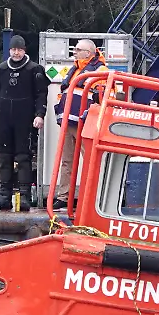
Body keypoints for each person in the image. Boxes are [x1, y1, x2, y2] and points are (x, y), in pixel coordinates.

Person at [0, 35, 48, 211]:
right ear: (10, 51)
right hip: (4, 120)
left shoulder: (34, 69)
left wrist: (40, 114)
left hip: (25, 121)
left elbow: (42, 94)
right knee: (4, 157)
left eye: (19, 50)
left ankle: (24, 196)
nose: (16, 53)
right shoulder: (2, 69)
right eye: (13, 49)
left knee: (24, 158)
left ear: (24, 50)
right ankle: (4, 196)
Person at [51, 39, 107, 209]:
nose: (74, 52)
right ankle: (63, 196)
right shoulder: (75, 69)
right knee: (67, 161)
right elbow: (65, 92)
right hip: (70, 122)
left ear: (88, 53)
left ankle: (90, 197)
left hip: (87, 124)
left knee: (90, 161)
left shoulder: (100, 70)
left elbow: (105, 97)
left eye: (78, 49)